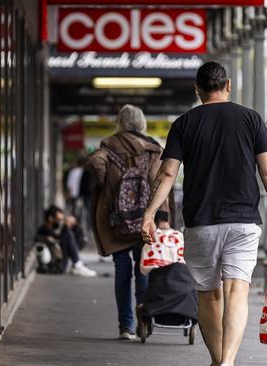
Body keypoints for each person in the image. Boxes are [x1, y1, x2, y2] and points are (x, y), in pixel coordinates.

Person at [141, 61, 267, 366]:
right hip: (243, 221)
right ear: (229, 85)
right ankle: (228, 362)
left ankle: (217, 359)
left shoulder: (184, 124)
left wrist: (149, 213)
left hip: (201, 222)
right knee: (237, 290)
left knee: (208, 295)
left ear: (198, 90)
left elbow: (168, 173)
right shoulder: (251, 119)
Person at [87, 104, 172, 341]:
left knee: (122, 270)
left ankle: (125, 325)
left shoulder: (109, 146)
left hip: (118, 221)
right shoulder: (153, 150)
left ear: (120, 122)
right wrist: (163, 217)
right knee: (143, 268)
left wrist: (110, 187)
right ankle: (143, 316)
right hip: (146, 220)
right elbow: (160, 182)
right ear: (142, 122)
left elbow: (94, 163)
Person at [36, 205, 97, 277]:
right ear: (50, 218)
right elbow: (57, 239)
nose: (60, 222)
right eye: (58, 219)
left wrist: (74, 224)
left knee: (70, 233)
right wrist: (66, 226)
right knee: (67, 233)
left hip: (60, 263)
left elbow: (78, 240)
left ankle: (77, 264)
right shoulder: (44, 230)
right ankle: (77, 264)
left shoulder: (53, 230)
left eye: (61, 220)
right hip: (56, 266)